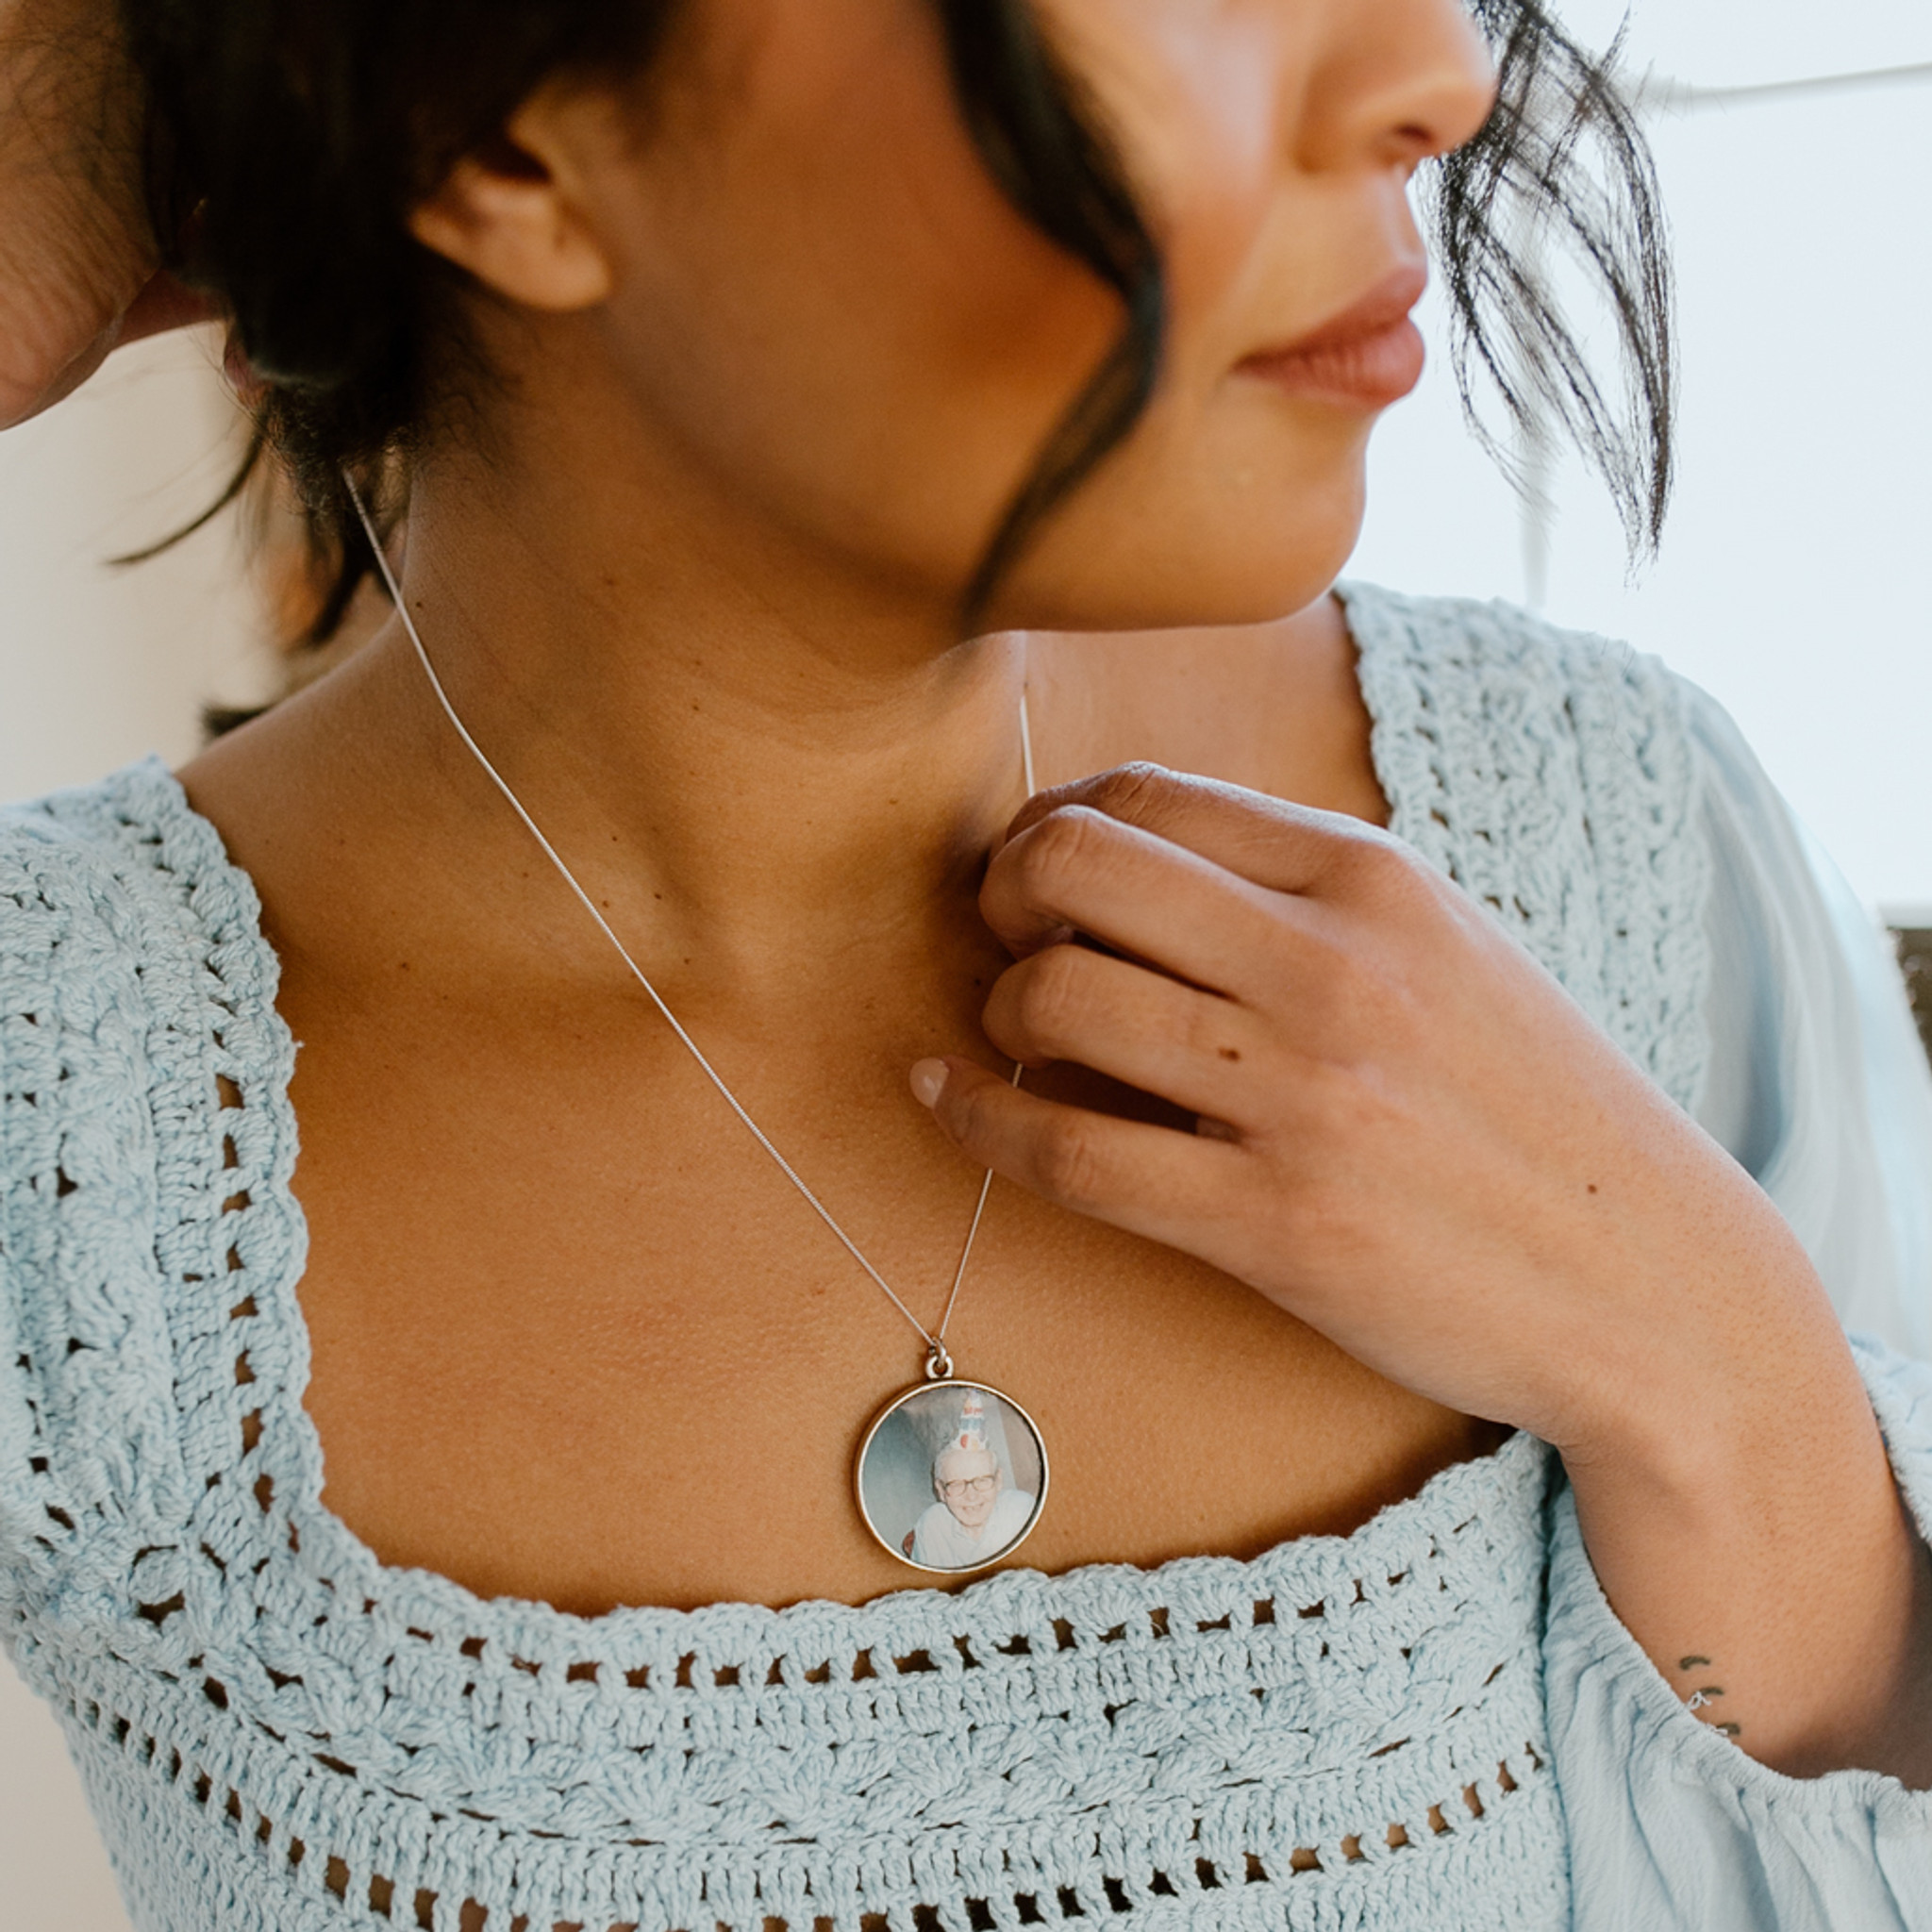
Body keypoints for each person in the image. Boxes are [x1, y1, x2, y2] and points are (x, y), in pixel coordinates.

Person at [0, 3, 1928, 1931]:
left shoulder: (1602, 839)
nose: (1438, 72)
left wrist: (1713, 1367)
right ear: (506, 141)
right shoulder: (65, 1115)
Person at [908, 1391, 1038, 1567]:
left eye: (982, 1480)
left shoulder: (1022, 1509)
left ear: (998, 1480)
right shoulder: (932, 1525)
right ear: (940, 1490)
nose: (971, 1496)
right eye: (957, 1484)